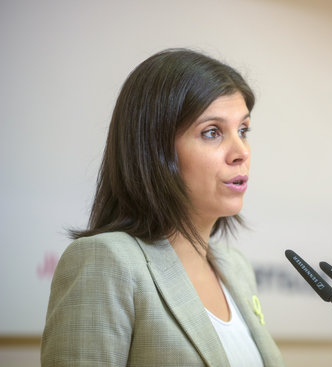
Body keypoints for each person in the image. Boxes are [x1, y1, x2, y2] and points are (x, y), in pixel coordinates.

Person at [41, 48, 285, 367]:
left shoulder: (235, 268)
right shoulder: (107, 261)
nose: (241, 152)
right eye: (212, 132)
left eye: (243, 130)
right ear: (155, 151)